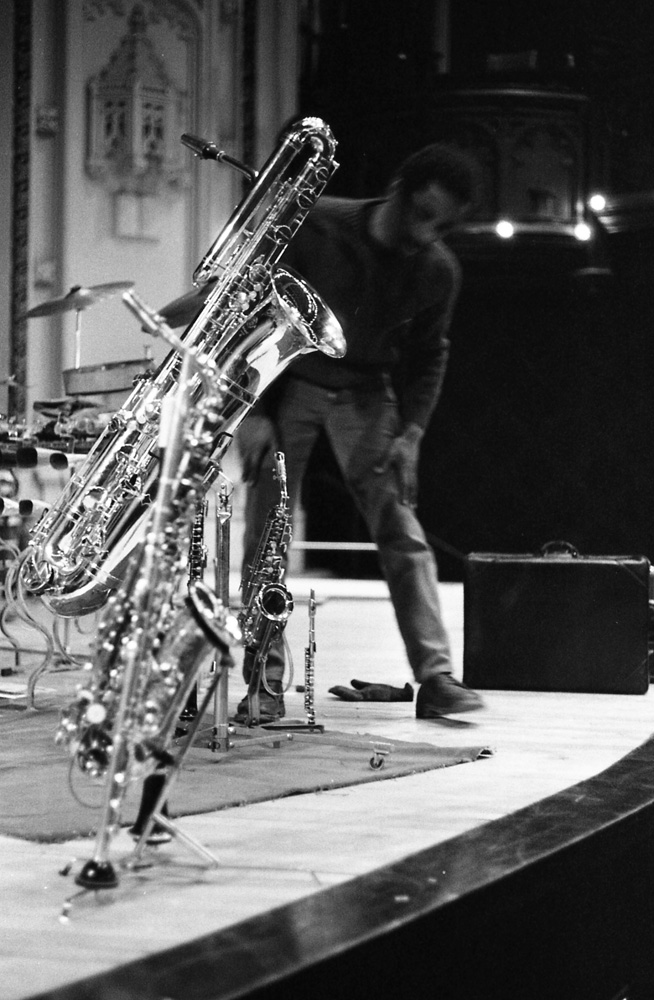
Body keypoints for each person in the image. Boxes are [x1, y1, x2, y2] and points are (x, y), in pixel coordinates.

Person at [234, 141, 485, 723]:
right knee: (267, 535)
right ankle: (264, 681)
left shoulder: (437, 268)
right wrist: (251, 411)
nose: (426, 234)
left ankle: (436, 675)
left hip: (367, 390)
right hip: (290, 380)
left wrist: (412, 434)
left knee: (402, 528)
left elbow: (429, 356)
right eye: (421, 216)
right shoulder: (318, 226)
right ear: (398, 188)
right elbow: (254, 315)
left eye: (441, 225)